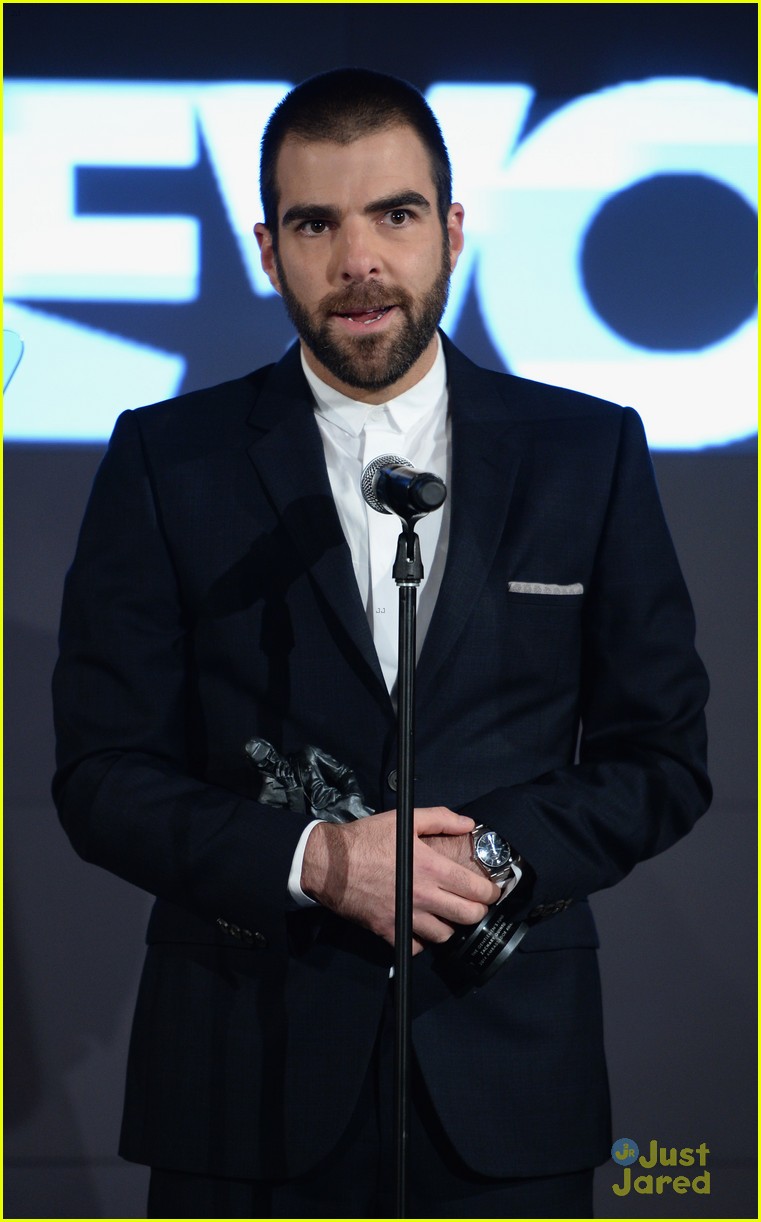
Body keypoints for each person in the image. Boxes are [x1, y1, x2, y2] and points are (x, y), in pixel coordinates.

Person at [52, 68, 711, 1219]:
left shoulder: (586, 455)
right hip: (241, 1083)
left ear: (449, 229)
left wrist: (481, 865)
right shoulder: (169, 461)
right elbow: (102, 775)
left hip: (505, 1076)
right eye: (315, 223)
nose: (358, 260)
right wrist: (316, 860)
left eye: (393, 214)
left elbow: (661, 756)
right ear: (267, 248)